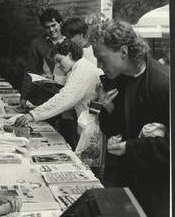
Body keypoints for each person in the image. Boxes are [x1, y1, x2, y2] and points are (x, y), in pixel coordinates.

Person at [91, 20, 169, 217]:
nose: (99, 66)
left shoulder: (163, 84)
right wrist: (107, 109)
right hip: (127, 184)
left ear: (123, 52)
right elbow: (115, 128)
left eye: (102, 59)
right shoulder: (118, 78)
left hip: (156, 193)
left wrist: (129, 147)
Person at [15, 40, 102, 142]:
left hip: (93, 124)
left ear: (69, 55)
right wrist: (55, 78)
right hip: (87, 121)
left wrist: (33, 114)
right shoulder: (79, 67)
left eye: (59, 60)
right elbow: (71, 82)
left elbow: (65, 97)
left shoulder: (82, 69)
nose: (57, 65)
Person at [20, 8, 65, 109]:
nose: (51, 30)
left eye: (54, 25)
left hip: (66, 96)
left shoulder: (71, 43)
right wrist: (24, 96)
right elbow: (30, 71)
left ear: (60, 23)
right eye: (47, 27)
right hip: (43, 97)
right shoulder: (37, 44)